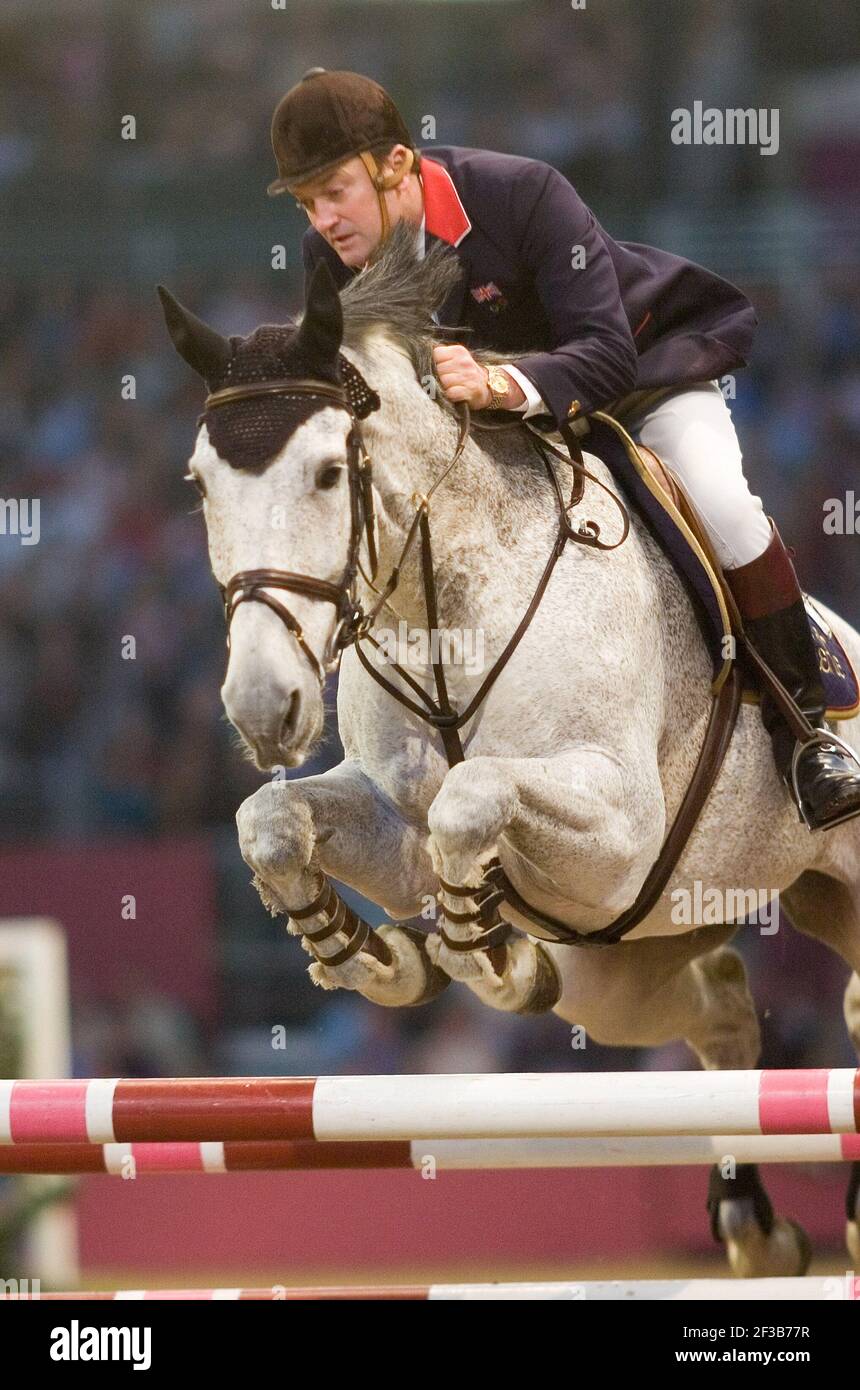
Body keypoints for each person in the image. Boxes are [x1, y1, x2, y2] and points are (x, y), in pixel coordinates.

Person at [266, 67, 860, 831]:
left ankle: (807, 738)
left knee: (722, 503)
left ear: (397, 164)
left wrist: (501, 379)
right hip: (510, 433)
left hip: (642, 381)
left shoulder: (521, 194)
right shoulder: (331, 261)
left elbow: (607, 355)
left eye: (335, 191)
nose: (323, 220)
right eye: (308, 202)